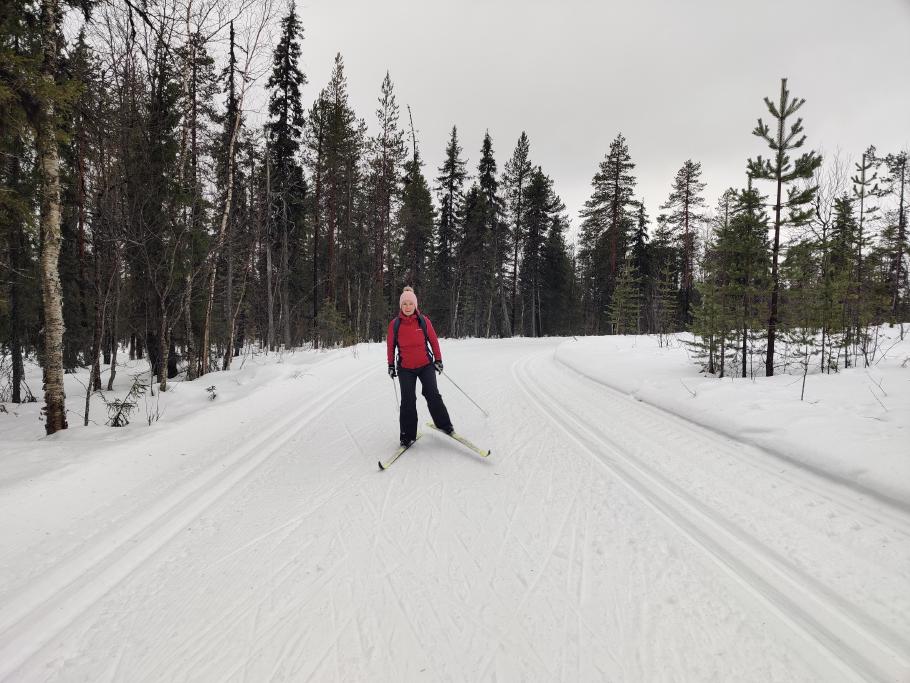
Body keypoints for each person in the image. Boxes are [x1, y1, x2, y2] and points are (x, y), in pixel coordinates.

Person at [387, 286, 454, 446]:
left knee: (433, 395)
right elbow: (390, 347)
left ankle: (445, 425)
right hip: (405, 369)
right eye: (405, 304)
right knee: (408, 401)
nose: (408, 307)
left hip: (426, 366)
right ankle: (407, 435)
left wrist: (438, 360)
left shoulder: (423, 321)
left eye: (410, 303)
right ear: (401, 306)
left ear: (415, 305)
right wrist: (390, 365)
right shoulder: (395, 324)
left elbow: (434, 341)